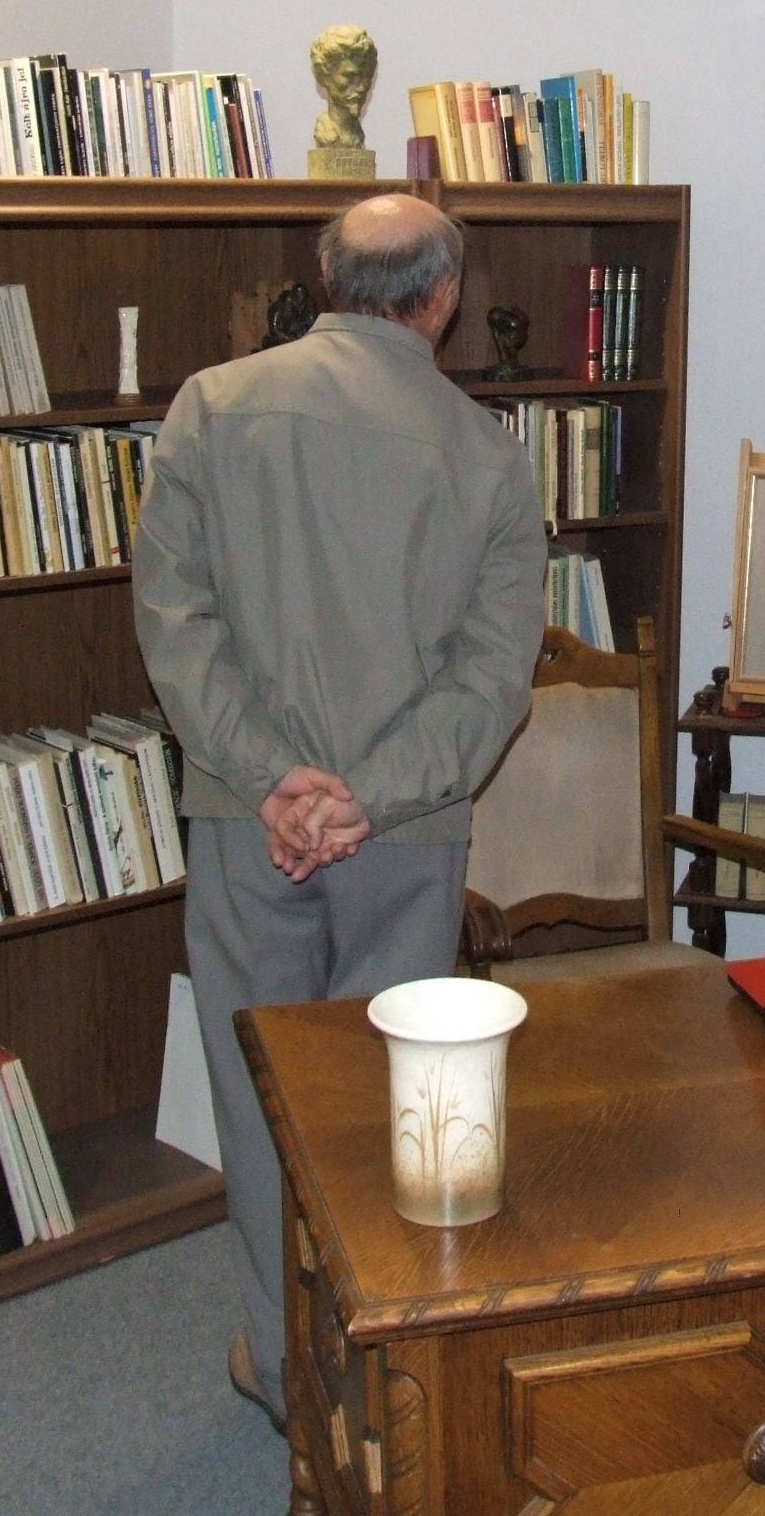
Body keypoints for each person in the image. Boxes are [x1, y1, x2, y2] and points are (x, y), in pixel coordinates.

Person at [132, 192, 547, 1428]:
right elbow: (494, 678)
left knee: (261, 1099)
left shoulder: (211, 408)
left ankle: (287, 1370)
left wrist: (273, 778)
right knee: (396, 1113)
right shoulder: (489, 453)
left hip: (246, 823)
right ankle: (384, 1379)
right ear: (443, 298)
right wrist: (368, 795)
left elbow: (175, 623)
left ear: (325, 279)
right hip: (403, 837)